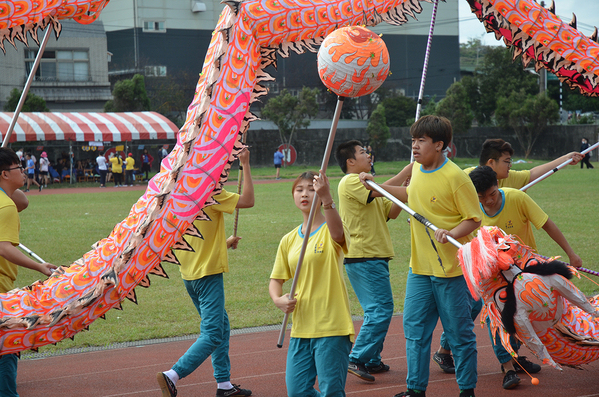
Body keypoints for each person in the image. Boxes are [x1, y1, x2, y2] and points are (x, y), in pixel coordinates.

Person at [361, 115, 481, 397]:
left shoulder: (456, 178)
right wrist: (376, 188)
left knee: (459, 336)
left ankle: (467, 390)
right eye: (413, 140)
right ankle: (415, 390)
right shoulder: (416, 168)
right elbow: (409, 194)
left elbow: (474, 219)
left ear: (439, 145)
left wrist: (450, 230)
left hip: (451, 272)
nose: (414, 146)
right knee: (414, 333)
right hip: (420, 270)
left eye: (421, 141)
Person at [468, 165, 582, 388]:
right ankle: (508, 367)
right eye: (481, 197)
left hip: (525, 271)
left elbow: (547, 224)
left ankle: (514, 356)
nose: (488, 201)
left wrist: (571, 253)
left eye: (492, 194)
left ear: (498, 185)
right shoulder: (471, 209)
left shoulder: (517, 198)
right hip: (493, 277)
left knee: (527, 314)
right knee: (499, 317)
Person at [157, 148, 254, 397]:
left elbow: (197, 240)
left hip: (190, 275)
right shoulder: (211, 194)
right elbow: (248, 201)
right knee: (212, 334)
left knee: (222, 326)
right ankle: (173, 375)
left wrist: (225, 242)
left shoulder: (178, 198)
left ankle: (224, 384)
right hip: (208, 275)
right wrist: (245, 165)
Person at [269, 169, 354, 397]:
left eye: (310, 189)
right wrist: (278, 299)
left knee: (331, 391)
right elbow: (276, 280)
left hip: (332, 327)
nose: (304, 194)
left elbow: (338, 235)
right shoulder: (288, 239)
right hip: (301, 328)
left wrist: (327, 198)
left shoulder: (330, 229)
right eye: (299, 189)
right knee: (297, 391)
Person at [335, 140, 405, 382]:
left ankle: (372, 359)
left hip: (373, 256)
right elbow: (381, 190)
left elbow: (392, 211)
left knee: (376, 310)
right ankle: (357, 358)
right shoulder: (352, 181)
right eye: (363, 152)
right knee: (381, 310)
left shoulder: (368, 183)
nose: (368, 154)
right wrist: (409, 170)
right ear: (350, 161)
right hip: (364, 256)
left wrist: (405, 187)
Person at [0, 148, 57, 397]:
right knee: (7, 345)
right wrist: (39, 266)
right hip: (0, 283)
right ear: (4, 173)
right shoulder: (5, 207)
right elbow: (3, 248)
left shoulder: (7, 202)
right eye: (17, 168)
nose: (23, 171)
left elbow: (22, 201)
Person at [464, 139, 584, 189]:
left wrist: (565, 159)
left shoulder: (507, 178)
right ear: (491, 162)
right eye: (506, 161)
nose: (510, 165)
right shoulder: (465, 179)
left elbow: (532, 174)